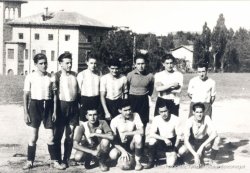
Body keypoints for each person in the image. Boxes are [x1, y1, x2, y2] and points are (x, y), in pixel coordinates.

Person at [23, 53, 64, 170]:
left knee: (50, 136)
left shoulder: (51, 77)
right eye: (41, 63)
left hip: (49, 106)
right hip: (35, 106)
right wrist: (25, 113)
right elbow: (25, 95)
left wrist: (55, 111)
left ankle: (55, 161)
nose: (44, 65)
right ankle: (30, 161)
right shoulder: (30, 77)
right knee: (33, 137)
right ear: (35, 64)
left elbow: (55, 96)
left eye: (45, 63)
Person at [53, 52, 79, 168]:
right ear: (60, 64)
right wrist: (54, 111)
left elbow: (78, 93)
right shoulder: (56, 76)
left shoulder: (75, 75)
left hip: (73, 107)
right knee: (58, 135)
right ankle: (57, 160)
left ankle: (66, 159)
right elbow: (53, 96)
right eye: (67, 63)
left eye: (70, 62)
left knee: (70, 135)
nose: (69, 65)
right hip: (61, 107)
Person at [145, 100, 182, 168]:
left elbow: (179, 136)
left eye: (165, 111)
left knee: (170, 164)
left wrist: (175, 148)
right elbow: (151, 134)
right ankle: (151, 161)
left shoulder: (175, 119)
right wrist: (164, 139)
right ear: (158, 112)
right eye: (161, 112)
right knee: (152, 140)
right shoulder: (156, 119)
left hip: (172, 143)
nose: (163, 114)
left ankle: (174, 155)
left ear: (169, 110)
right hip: (162, 141)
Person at [109, 99, 144, 171]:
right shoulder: (115, 120)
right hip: (120, 146)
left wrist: (126, 133)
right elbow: (112, 140)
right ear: (119, 110)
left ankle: (138, 161)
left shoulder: (136, 115)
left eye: (130, 109)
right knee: (113, 155)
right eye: (125, 110)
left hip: (131, 145)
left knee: (138, 137)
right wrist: (123, 151)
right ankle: (122, 159)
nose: (128, 112)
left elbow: (142, 131)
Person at [182, 102, 220, 167]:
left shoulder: (206, 118)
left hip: (203, 142)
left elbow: (215, 133)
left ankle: (211, 160)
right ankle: (193, 156)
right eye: (197, 112)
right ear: (193, 112)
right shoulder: (189, 121)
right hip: (193, 143)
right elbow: (186, 140)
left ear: (203, 112)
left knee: (217, 138)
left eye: (201, 112)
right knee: (181, 151)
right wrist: (195, 154)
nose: (199, 114)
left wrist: (202, 146)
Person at [127, 53, 154, 128]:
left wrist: (147, 95)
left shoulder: (150, 76)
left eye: (142, 63)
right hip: (132, 99)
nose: (140, 66)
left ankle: (142, 138)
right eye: (138, 64)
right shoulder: (130, 75)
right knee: (132, 120)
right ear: (135, 64)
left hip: (144, 100)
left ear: (146, 64)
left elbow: (151, 88)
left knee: (143, 121)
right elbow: (127, 87)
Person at [100, 58, 128, 123]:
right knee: (107, 125)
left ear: (119, 68)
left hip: (119, 103)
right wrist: (106, 112)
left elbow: (125, 94)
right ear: (108, 68)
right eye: (112, 68)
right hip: (107, 103)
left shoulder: (123, 78)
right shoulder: (104, 78)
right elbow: (102, 96)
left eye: (116, 68)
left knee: (119, 124)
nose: (114, 71)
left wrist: (124, 109)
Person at [77, 56, 102, 121]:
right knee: (84, 121)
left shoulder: (99, 74)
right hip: (85, 100)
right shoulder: (82, 74)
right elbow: (78, 91)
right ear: (87, 63)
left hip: (96, 100)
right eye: (91, 63)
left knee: (95, 120)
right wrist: (79, 103)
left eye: (95, 63)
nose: (93, 65)